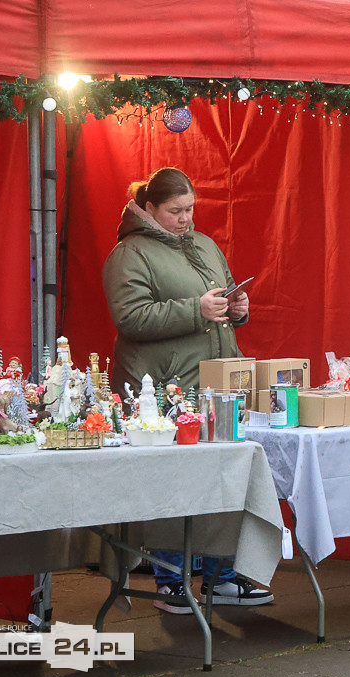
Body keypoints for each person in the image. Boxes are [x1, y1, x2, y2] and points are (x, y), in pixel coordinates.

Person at [102, 167, 274, 614]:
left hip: (216, 383)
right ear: (150, 208)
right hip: (162, 391)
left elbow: (221, 302)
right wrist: (197, 309)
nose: (186, 219)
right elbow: (131, 319)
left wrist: (236, 308)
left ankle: (222, 576)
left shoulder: (206, 246)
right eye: (176, 211)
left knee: (223, 483)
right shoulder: (129, 254)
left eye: (190, 209)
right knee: (171, 487)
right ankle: (170, 579)